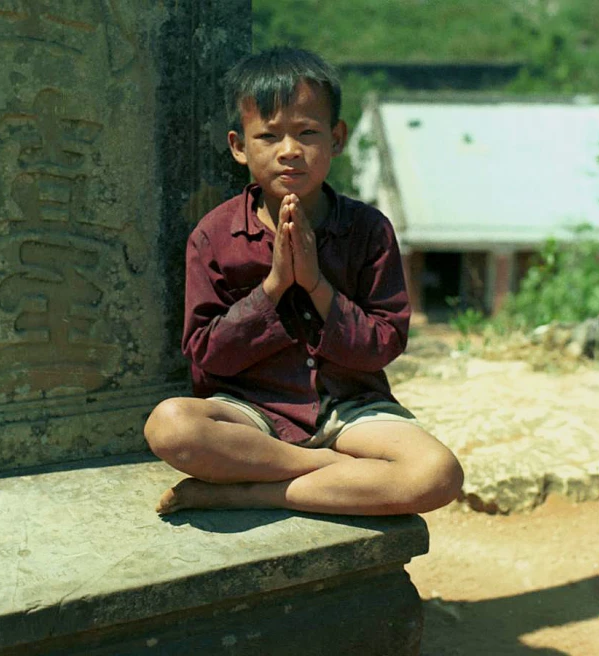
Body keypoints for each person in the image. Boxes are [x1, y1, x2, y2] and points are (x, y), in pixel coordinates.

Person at [145, 47, 463, 516]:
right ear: (238, 146)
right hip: (252, 410)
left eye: (307, 133)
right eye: (269, 136)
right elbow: (207, 355)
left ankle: (242, 493)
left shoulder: (369, 230)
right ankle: (325, 468)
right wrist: (274, 286)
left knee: (438, 475)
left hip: (350, 409)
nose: (289, 151)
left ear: (336, 138)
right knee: (170, 426)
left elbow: (384, 344)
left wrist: (316, 285)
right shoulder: (214, 235)